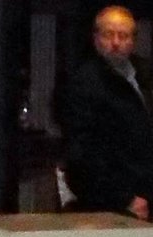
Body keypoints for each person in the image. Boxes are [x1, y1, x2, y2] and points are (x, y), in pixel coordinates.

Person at [62, 5, 153, 218]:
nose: (115, 43)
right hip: (117, 203)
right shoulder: (83, 83)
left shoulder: (146, 75)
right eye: (108, 35)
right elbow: (84, 153)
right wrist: (124, 198)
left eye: (123, 36)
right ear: (96, 38)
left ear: (133, 41)